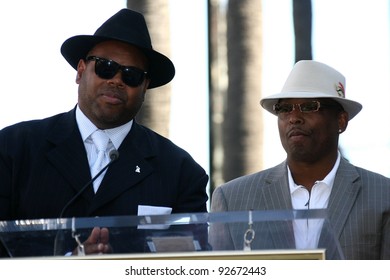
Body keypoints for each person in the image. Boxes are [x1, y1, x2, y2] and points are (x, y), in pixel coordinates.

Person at [0, 8, 208, 257]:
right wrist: (67, 263)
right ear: (80, 71)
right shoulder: (14, 148)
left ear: (145, 87)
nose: (117, 80)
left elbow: (190, 262)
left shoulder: (180, 171)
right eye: (106, 68)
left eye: (131, 75)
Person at [210, 60, 390, 259]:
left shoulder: (383, 195)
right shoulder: (233, 199)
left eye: (309, 106)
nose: (293, 117)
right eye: (284, 109)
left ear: (341, 120)